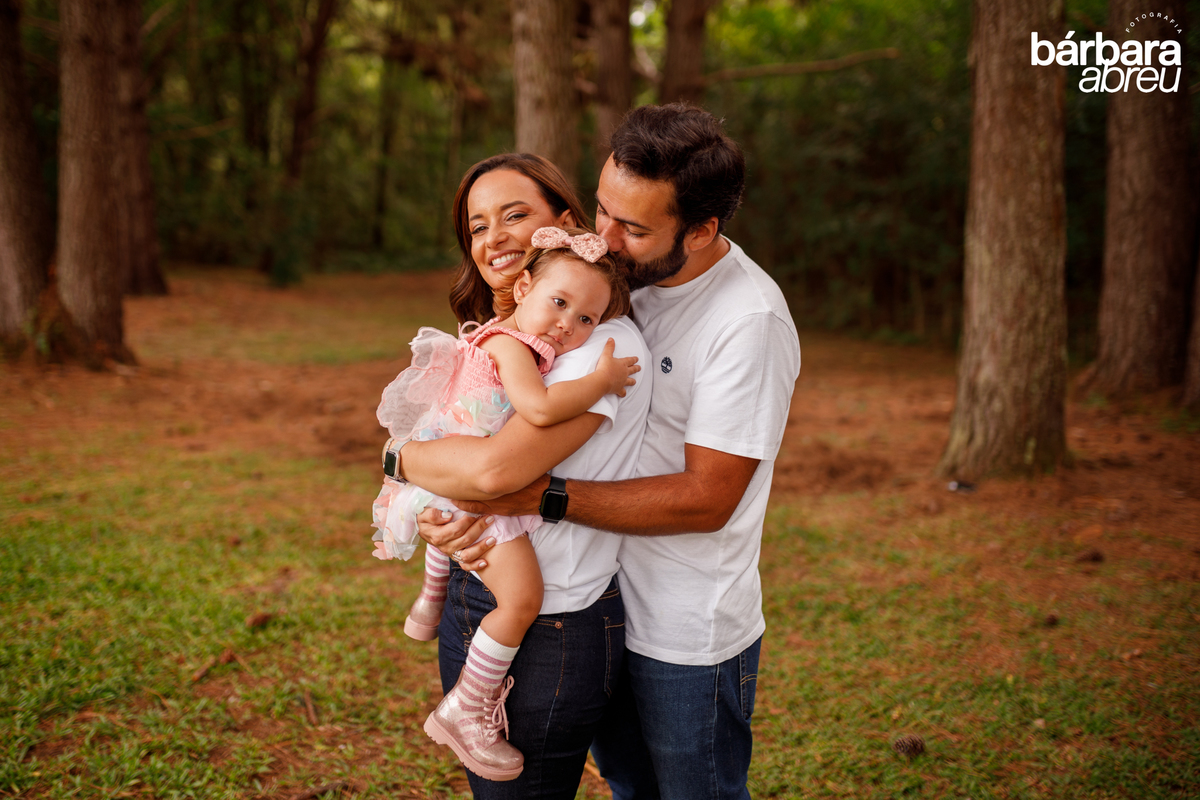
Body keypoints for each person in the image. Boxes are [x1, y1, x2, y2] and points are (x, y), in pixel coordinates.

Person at [403, 104, 802, 800]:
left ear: (703, 230)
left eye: (635, 227)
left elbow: (709, 496)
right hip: (596, 602)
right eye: (601, 209)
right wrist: (417, 476)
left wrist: (534, 496)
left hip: (683, 629)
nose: (606, 240)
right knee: (627, 787)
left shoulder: (748, 322)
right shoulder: (609, 285)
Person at [389, 153, 655, 798]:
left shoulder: (593, 345)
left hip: (550, 619)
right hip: (480, 582)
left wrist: (403, 462)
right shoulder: (519, 332)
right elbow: (457, 443)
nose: (493, 238)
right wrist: (425, 487)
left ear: (562, 225)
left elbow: (491, 469)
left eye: (514, 216)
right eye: (477, 227)